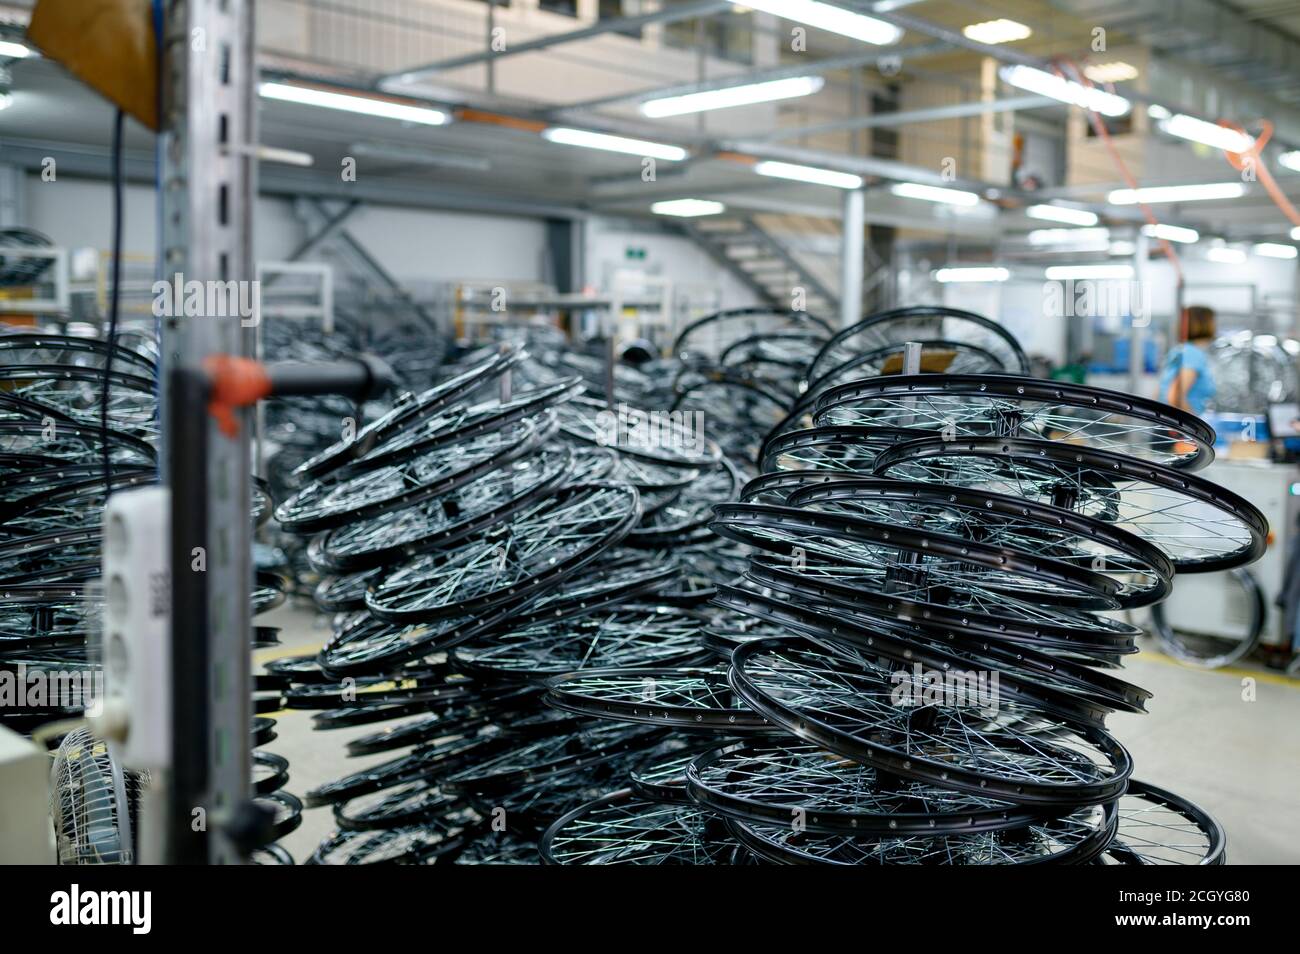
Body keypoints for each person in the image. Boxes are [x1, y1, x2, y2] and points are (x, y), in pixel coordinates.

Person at [1159, 306, 1217, 416]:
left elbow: (1160, 390)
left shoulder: (1180, 350)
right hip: (1179, 428)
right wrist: (1196, 429)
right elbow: (1175, 396)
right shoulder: (1193, 354)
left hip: (1167, 423)